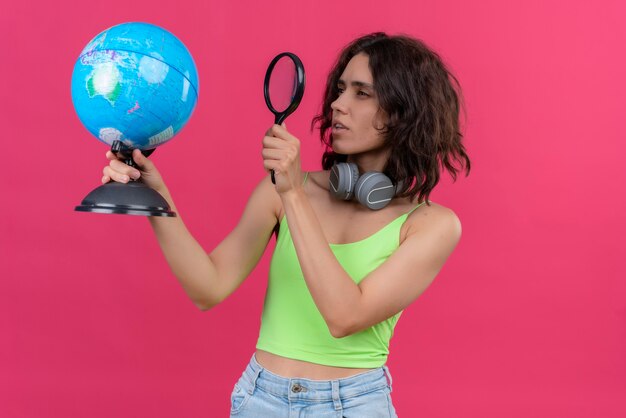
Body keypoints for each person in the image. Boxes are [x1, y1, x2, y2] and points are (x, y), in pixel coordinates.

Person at [102, 32, 470, 418]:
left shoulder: (431, 225)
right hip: (260, 398)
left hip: (356, 405)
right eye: (340, 89)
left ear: (404, 113)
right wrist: (155, 197)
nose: (337, 104)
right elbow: (207, 288)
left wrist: (294, 194)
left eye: (362, 93)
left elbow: (345, 317)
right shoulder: (281, 190)